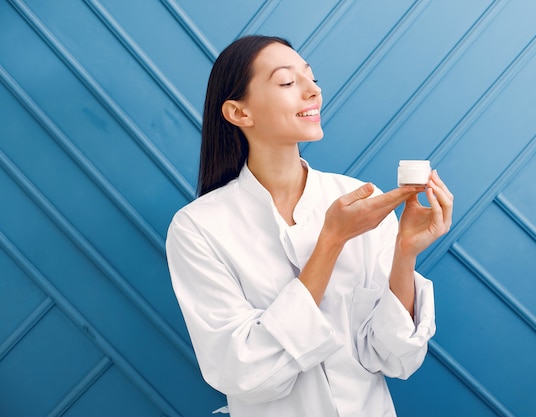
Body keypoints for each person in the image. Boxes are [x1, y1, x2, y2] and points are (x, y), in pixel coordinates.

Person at [165, 35, 453, 417]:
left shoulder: (358, 199)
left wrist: (405, 253)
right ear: (239, 113)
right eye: (287, 82)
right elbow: (242, 369)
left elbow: (394, 357)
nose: (313, 91)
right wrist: (331, 241)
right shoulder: (198, 228)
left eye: (313, 79)